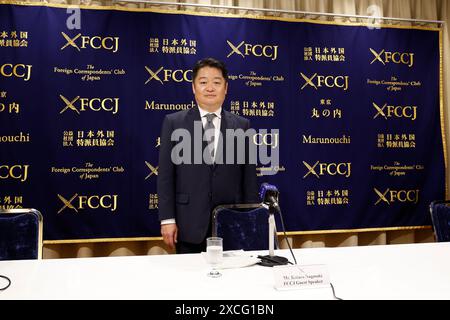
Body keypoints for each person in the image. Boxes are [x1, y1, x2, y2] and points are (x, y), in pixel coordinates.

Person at [157, 57, 259, 254]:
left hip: (232, 223)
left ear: (226, 87)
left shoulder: (242, 125)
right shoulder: (174, 123)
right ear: (194, 88)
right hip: (188, 224)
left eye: (216, 82)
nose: (210, 88)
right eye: (203, 82)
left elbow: (249, 178)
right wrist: (167, 219)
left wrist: (250, 220)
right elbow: (165, 176)